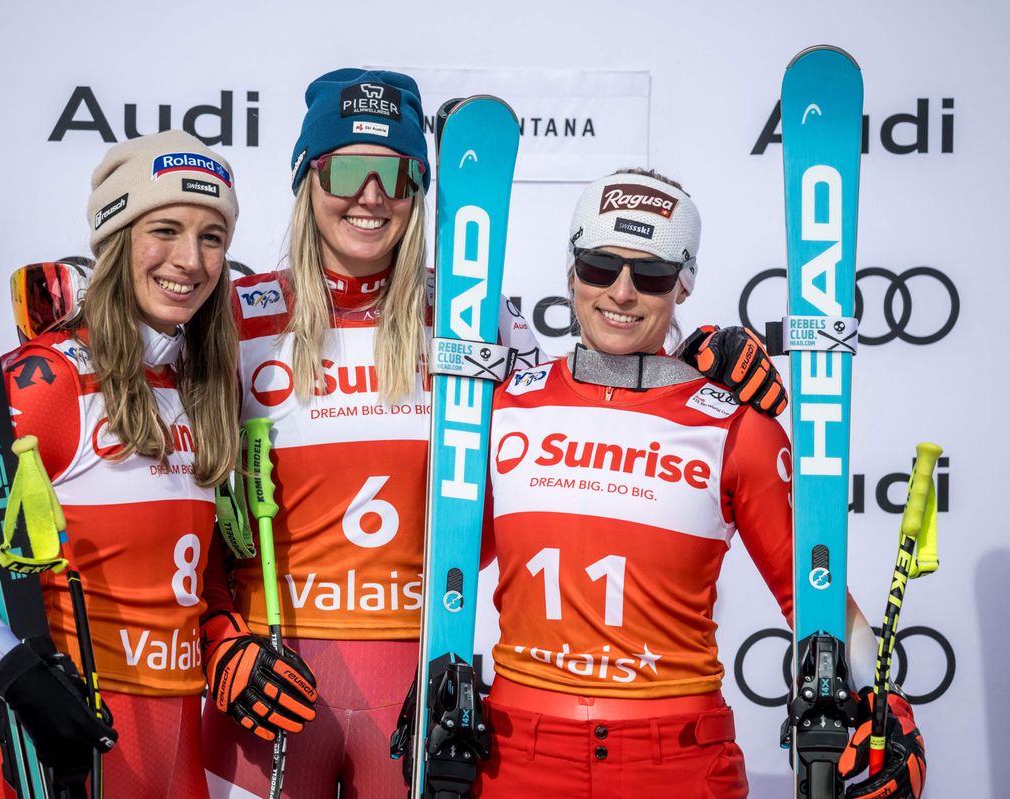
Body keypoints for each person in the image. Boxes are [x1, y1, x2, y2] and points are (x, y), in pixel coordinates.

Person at [201, 69, 789, 799]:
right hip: (272, 677)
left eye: (398, 173)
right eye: (348, 168)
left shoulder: (475, 321)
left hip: (414, 675)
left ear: (421, 189)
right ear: (306, 179)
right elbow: (174, 508)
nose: (372, 195)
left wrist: (703, 359)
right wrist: (220, 640)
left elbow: (585, 401)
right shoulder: (236, 319)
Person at [474, 170, 926, 798]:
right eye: (600, 266)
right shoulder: (503, 408)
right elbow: (444, 563)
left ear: (683, 284)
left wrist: (887, 703)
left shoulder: (736, 424)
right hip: (517, 753)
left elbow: (814, 595)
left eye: (652, 274)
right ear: (572, 272)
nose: (622, 293)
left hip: (676, 758)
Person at [0, 130, 303, 799]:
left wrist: (226, 638)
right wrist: (18, 674)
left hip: (177, 743)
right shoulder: (53, 378)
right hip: (66, 742)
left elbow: (189, 577)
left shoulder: (198, 388)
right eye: (166, 229)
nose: (191, 259)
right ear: (115, 240)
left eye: (212, 237)